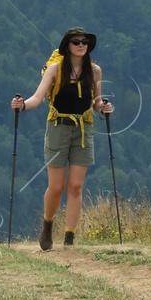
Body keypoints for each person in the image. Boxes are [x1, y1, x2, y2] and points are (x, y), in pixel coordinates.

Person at [12, 27, 112, 250]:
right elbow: (38, 98)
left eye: (84, 42)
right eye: (76, 42)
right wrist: (23, 106)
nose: (81, 45)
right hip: (58, 126)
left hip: (84, 129)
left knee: (75, 186)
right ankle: (47, 225)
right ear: (67, 45)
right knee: (56, 187)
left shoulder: (94, 71)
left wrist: (104, 107)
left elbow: (96, 101)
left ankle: (69, 237)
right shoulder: (55, 70)